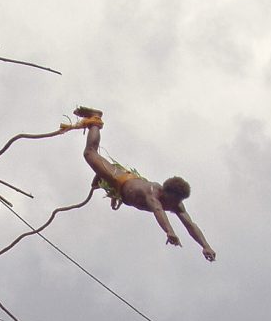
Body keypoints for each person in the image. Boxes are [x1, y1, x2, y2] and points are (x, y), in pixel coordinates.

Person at [74, 106, 216, 258]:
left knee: (94, 159)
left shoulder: (177, 204)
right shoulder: (152, 193)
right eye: (173, 200)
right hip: (119, 178)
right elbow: (158, 211)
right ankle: (95, 120)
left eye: (178, 201)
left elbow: (190, 225)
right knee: (89, 153)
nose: (173, 204)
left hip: (123, 189)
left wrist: (205, 246)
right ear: (165, 192)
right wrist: (169, 231)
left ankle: (102, 177)